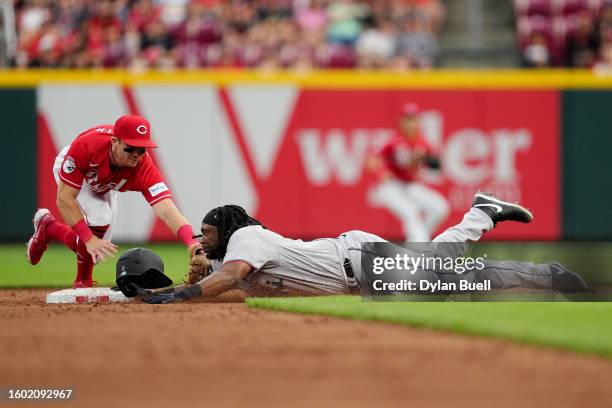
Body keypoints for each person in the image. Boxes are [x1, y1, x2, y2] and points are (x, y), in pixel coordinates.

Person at [141, 192, 589, 304]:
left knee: (456, 278)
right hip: (357, 271)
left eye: (208, 232)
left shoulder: (246, 238)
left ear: (228, 228)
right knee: (443, 271)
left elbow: (232, 278)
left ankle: (546, 271)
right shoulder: (236, 250)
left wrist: (178, 294)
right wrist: (196, 274)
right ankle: (481, 215)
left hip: (358, 261)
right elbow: (232, 281)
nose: (204, 239)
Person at [26, 114, 203, 288]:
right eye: (130, 148)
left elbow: (167, 211)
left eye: (142, 149)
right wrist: (88, 238)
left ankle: (48, 227)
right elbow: (64, 199)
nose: (136, 155)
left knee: (98, 252)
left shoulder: (143, 167)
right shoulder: (86, 146)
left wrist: (193, 244)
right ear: (115, 142)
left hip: (104, 186)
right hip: (79, 174)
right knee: (98, 222)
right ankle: (83, 281)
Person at [367, 102, 449, 243]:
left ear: (418, 122)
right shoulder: (393, 141)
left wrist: (428, 161)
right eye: (407, 119)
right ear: (401, 121)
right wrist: (382, 172)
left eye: (413, 119)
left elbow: (436, 165)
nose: (410, 123)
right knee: (411, 212)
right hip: (390, 187)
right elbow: (371, 161)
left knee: (440, 208)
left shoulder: (423, 143)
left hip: (409, 186)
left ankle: (416, 244)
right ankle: (417, 247)